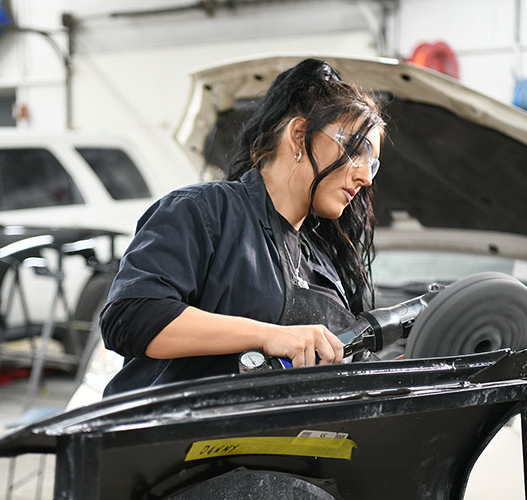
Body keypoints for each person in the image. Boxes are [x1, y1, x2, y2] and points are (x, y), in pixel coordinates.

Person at [100, 58, 386, 397]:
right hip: (170, 442)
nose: (365, 176)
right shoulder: (205, 210)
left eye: (373, 163)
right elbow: (131, 317)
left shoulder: (323, 265)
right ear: (299, 135)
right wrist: (269, 336)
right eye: (356, 150)